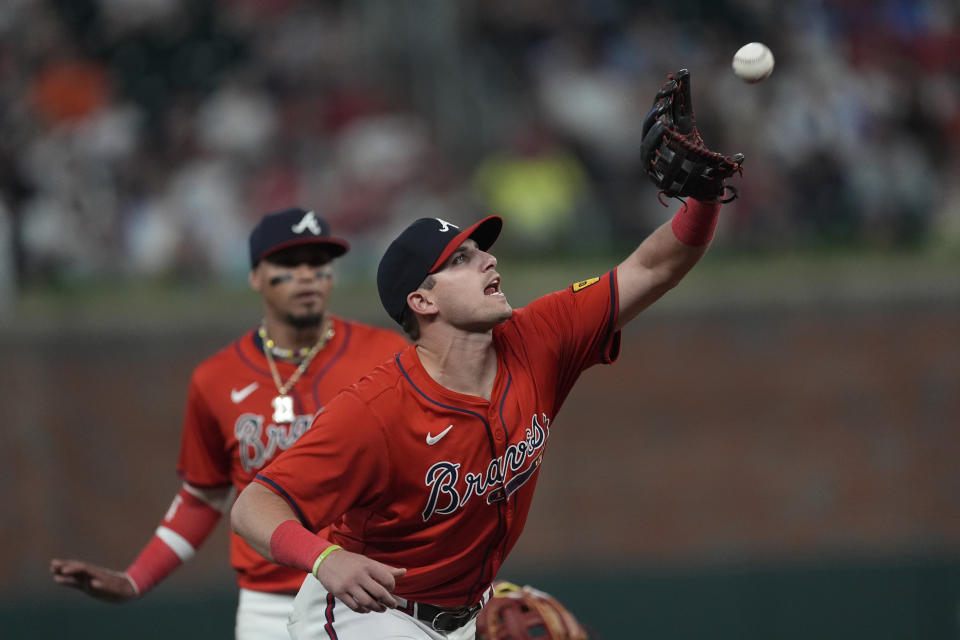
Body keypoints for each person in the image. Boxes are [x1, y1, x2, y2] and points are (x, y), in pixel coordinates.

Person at [231, 185, 735, 639]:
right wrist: (325, 559)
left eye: (482, 251)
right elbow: (253, 506)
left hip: (471, 614)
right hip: (369, 615)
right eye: (461, 260)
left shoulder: (539, 336)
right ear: (423, 301)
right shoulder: (374, 411)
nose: (488, 262)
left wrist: (705, 196)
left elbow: (653, 268)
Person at [50, 207, 409, 639]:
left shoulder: (386, 355)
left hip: (369, 596)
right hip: (268, 605)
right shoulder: (216, 378)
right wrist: (134, 580)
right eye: (289, 264)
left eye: (318, 263)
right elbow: (204, 497)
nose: (307, 275)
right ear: (255, 275)